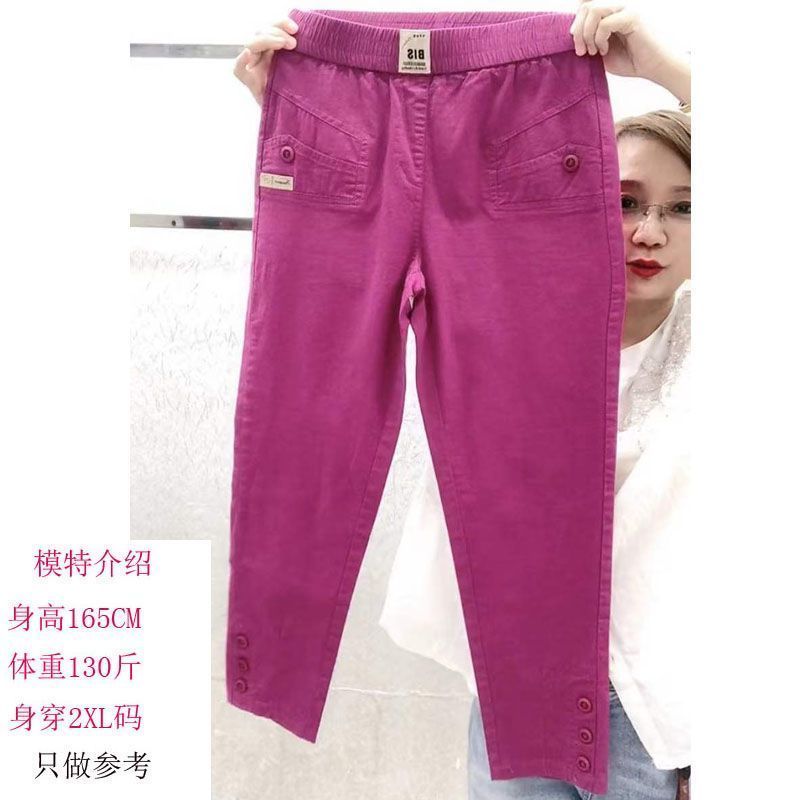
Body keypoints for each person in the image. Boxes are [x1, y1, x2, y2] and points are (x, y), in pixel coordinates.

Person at [233, 3, 691, 798]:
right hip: (342, 94)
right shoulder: (560, 316)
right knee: (306, 405)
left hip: (662, 710)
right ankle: (270, 661)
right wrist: (303, 110)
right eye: (625, 200)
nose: (649, 229)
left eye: (682, 207)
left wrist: (669, 70)